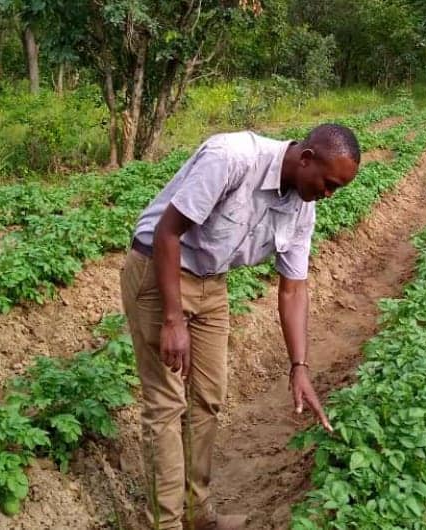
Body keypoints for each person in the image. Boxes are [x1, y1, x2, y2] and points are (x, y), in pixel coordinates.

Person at [120, 124, 360, 530]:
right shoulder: (231, 158)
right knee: (166, 404)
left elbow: (293, 289)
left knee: (207, 398)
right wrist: (173, 319)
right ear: (306, 158)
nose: (329, 194)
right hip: (158, 270)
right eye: (328, 183)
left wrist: (299, 366)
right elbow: (167, 231)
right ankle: (166, 522)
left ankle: (197, 513)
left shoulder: (303, 208)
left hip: (211, 281)